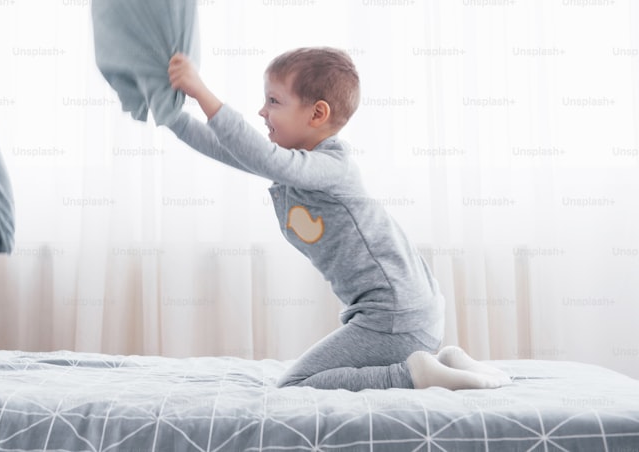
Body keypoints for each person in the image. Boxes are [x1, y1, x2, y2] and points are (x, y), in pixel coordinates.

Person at [166, 47, 510, 390]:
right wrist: (171, 117)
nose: (262, 111)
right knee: (305, 378)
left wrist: (201, 93)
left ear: (317, 114)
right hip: (400, 311)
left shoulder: (331, 167)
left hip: (396, 314)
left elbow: (260, 155)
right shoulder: (298, 168)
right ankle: (447, 362)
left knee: (297, 384)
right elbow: (231, 150)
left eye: (273, 101)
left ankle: (413, 375)